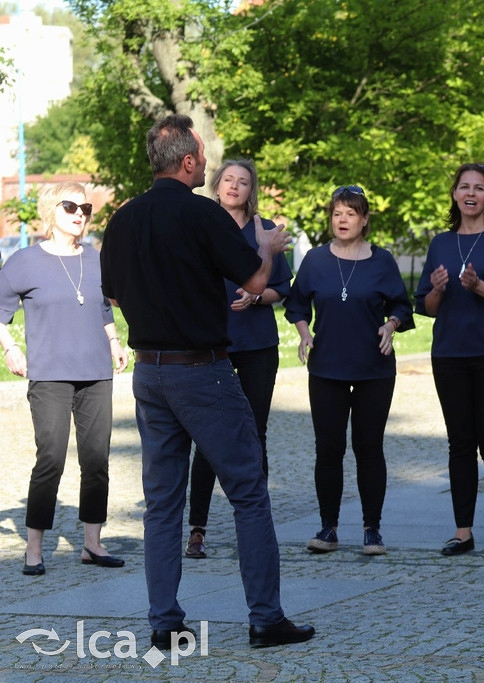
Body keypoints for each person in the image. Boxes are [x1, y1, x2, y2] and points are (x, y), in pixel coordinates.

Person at [100, 114, 314, 650]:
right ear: (190, 162)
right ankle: (266, 618)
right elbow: (257, 280)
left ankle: (164, 623)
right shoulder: (202, 215)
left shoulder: (123, 220)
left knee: (163, 503)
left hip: (150, 371)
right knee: (247, 491)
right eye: (203, 158)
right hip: (203, 369)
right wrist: (268, 245)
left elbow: (115, 295)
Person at [0, 182, 129, 576]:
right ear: (50, 212)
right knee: (51, 459)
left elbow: (102, 308)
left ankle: (92, 544)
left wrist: (114, 342)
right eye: (69, 206)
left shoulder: (97, 260)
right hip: (50, 376)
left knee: (96, 461)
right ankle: (34, 548)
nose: (79, 214)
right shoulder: (23, 261)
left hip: (95, 373)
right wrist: (11, 348)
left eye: (85, 208)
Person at [285, 185, 412, 556]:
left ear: (364, 220)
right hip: (327, 367)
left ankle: (372, 529)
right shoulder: (315, 261)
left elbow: (403, 306)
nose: (343, 219)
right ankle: (328, 528)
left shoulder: (382, 260)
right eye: (337, 213)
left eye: (351, 213)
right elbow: (296, 304)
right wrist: (305, 334)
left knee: (369, 447)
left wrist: (390, 326)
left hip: (374, 367)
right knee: (328, 448)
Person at [414, 163, 484, 557]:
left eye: (479, 188)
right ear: (454, 194)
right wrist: (438, 289)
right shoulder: (440, 243)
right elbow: (427, 308)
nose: (471, 193)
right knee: (459, 443)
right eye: (464, 187)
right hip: (449, 354)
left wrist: (479, 286)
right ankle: (462, 531)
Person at [184, 159, 292, 560]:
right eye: (228, 179)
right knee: (207, 437)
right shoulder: (200, 222)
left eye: (243, 182)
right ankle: (198, 529)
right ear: (216, 185)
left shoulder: (265, 231)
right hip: (210, 344)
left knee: (253, 434)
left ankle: (255, 526)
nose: (234, 186)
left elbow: (282, 287)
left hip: (257, 345)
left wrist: (257, 296)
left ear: (252, 190)